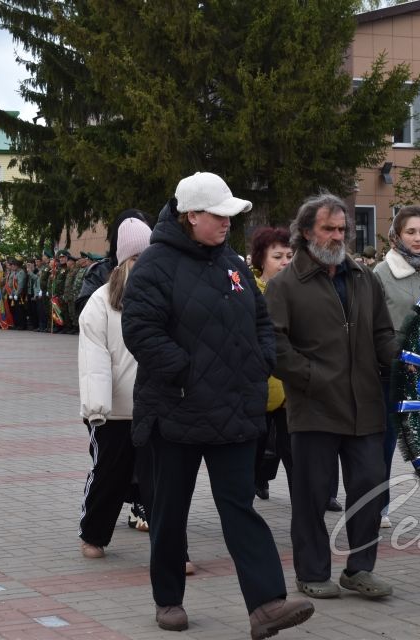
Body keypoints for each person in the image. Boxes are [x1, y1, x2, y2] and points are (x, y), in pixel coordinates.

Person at [122, 172, 313, 636]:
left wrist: (260, 361)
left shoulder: (230, 263)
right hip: (176, 411)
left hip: (232, 411)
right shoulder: (155, 265)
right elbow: (141, 332)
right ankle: (168, 600)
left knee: (239, 508)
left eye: (231, 214)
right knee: (169, 512)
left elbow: (260, 319)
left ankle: (267, 605)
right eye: (219, 214)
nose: (228, 222)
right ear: (191, 215)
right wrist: (186, 373)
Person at [265, 192, 398, 600]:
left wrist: (405, 359)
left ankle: (360, 569)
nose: (338, 236)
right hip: (314, 408)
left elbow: (382, 333)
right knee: (311, 496)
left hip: (365, 407)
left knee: (370, 490)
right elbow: (273, 345)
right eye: (329, 228)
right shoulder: (285, 284)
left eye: (343, 228)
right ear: (306, 233)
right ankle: (312, 571)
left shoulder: (362, 277)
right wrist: (311, 378)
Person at [78, 218, 152, 559]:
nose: (144, 264)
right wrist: (97, 408)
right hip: (113, 410)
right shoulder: (101, 302)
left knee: (160, 480)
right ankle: (93, 534)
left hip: (155, 406)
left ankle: (171, 547)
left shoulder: (162, 294)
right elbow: (94, 359)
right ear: (124, 261)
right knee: (110, 474)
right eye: (137, 257)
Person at [372, 205, 420, 534]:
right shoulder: (381, 273)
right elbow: (375, 326)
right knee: (385, 444)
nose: (418, 238)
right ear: (396, 236)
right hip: (394, 372)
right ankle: (378, 506)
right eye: (410, 232)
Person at [249, 226, 295, 501]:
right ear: (260, 259)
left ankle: (309, 505)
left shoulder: (298, 290)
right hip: (258, 387)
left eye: (289, 255)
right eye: (277, 256)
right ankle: (249, 496)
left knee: (295, 454)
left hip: (291, 388)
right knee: (254, 452)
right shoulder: (250, 291)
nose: (285, 262)